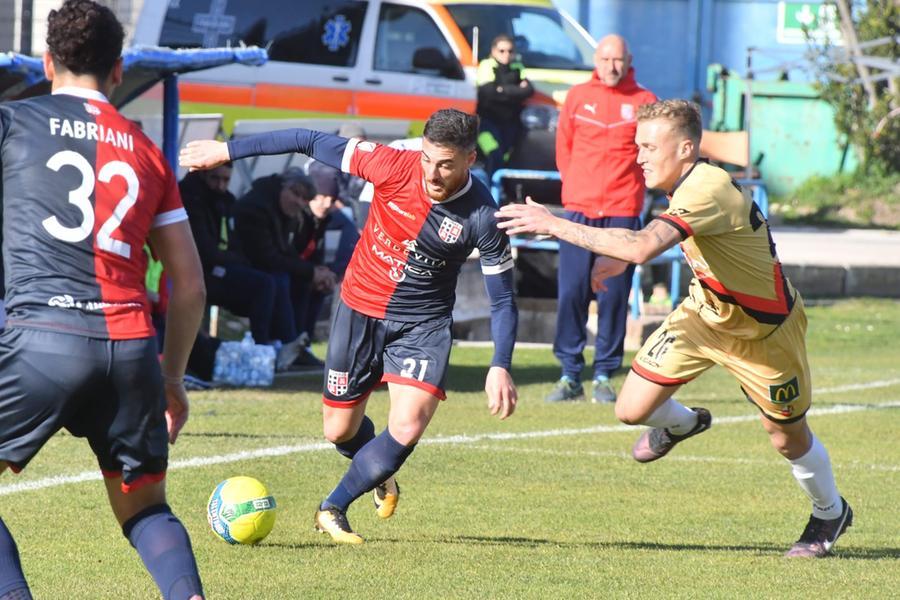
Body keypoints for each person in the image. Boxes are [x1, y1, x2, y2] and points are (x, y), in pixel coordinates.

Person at [496, 99, 852, 558]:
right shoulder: (687, 183)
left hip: (765, 333)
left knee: (787, 437)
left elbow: (645, 246)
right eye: (637, 145)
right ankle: (685, 424)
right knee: (630, 408)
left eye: (648, 146)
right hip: (705, 315)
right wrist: (613, 253)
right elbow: (660, 239)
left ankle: (829, 513)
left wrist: (554, 225)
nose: (638, 156)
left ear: (685, 148)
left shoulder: (707, 187)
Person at [180, 108, 518, 544]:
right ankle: (380, 473)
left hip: (422, 326)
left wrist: (500, 363)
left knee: (409, 424)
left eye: (446, 164)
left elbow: (504, 298)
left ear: (470, 159)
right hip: (359, 309)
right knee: (338, 430)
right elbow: (305, 138)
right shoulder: (391, 164)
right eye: (428, 159)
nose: (432, 173)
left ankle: (332, 507)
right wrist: (225, 150)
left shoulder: (483, 218)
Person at [0, 1, 206, 597]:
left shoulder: (14, 122)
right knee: (145, 511)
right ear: (119, 71)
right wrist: (170, 380)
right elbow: (189, 285)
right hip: (131, 350)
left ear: (45, 63)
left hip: (42, 340)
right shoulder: (146, 152)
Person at [549, 34, 658, 404]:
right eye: (605, 59)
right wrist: (574, 187)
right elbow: (564, 148)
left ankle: (604, 374)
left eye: (618, 60)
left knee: (612, 296)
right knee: (571, 292)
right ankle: (568, 373)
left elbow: (654, 156)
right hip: (578, 210)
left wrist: (635, 196)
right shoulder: (578, 98)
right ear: (596, 60)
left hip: (621, 211)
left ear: (628, 61)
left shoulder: (644, 102)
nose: (612, 67)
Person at [179, 163, 303, 369]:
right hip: (201, 271)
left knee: (282, 281)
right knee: (265, 284)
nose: (220, 185)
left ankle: (287, 344)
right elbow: (205, 248)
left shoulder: (227, 201)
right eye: (215, 178)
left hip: (223, 265)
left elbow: (237, 243)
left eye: (226, 180)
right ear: (203, 175)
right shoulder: (192, 200)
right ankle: (262, 349)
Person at [231, 167, 338, 365]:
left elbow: (285, 251)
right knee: (278, 281)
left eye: (304, 198)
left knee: (309, 284)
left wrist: (317, 272)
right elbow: (267, 256)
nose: (299, 202)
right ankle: (283, 345)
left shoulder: (284, 211)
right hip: (238, 268)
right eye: (295, 194)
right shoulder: (258, 207)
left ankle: (301, 345)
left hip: (262, 268)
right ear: (282, 187)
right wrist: (310, 272)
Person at [476, 34, 533, 179]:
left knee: (507, 159)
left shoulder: (517, 66)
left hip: (510, 124)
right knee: (493, 155)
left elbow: (529, 90)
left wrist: (501, 90)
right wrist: (516, 91)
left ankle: (502, 194)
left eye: (510, 51)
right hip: (487, 123)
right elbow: (487, 92)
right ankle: (490, 193)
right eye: (502, 51)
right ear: (494, 51)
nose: (506, 54)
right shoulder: (487, 65)